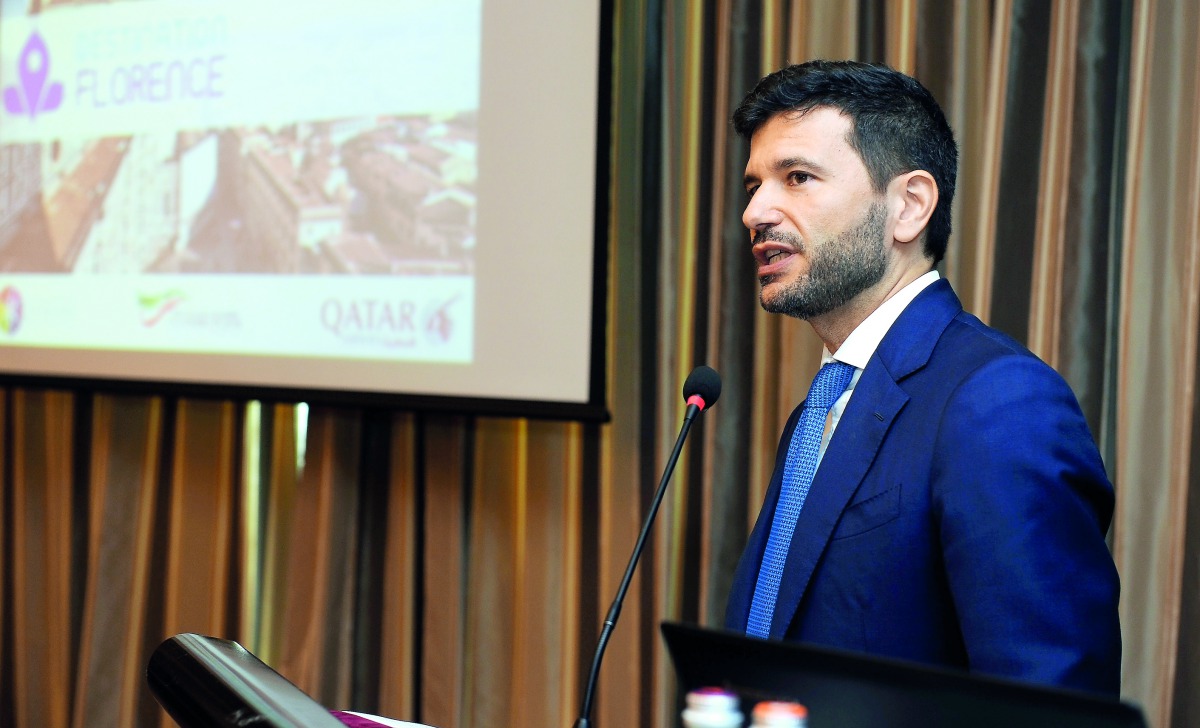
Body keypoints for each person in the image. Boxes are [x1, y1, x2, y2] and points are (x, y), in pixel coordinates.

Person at [722, 60, 1121, 697]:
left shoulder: (999, 402)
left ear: (909, 206)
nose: (755, 211)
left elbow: (1048, 701)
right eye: (754, 184)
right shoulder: (822, 407)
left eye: (796, 178)